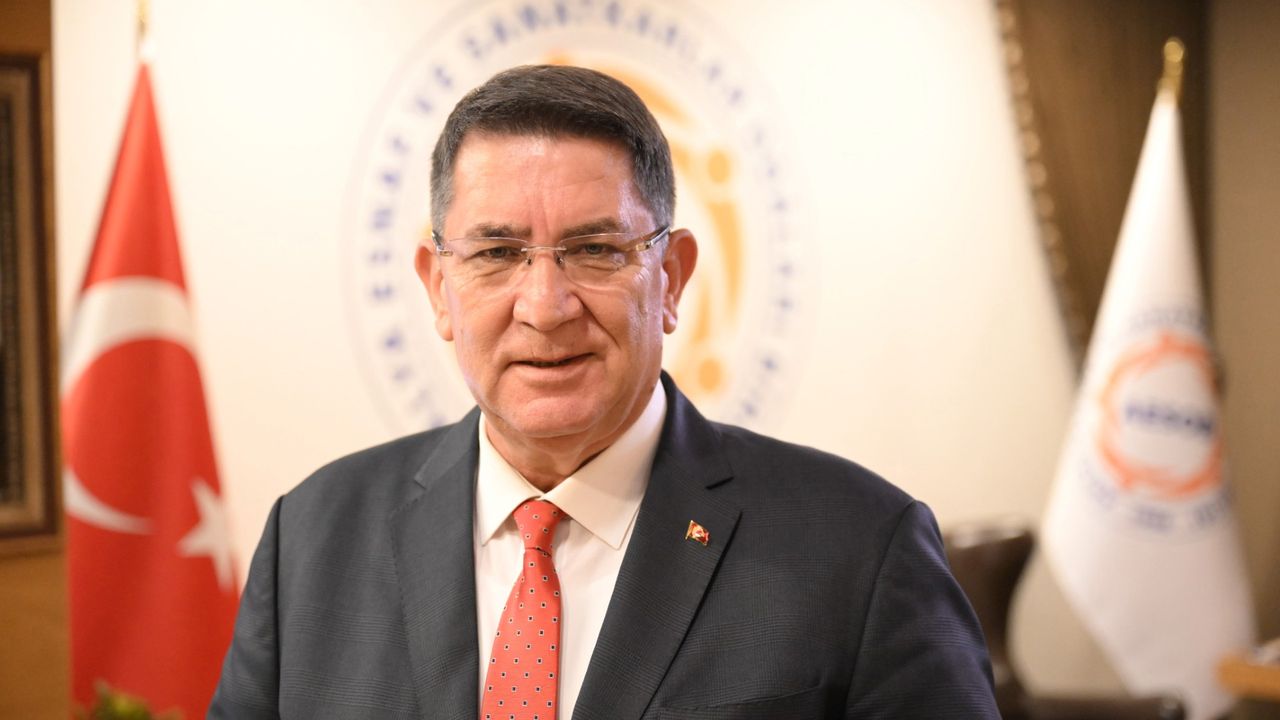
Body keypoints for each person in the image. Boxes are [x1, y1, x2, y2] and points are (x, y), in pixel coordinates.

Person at [210, 65, 998, 719]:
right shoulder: (309, 543)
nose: (545, 306)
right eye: (497, 253)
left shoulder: (860, 549)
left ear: (671, 279)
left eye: (594, 249)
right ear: (438, 288)